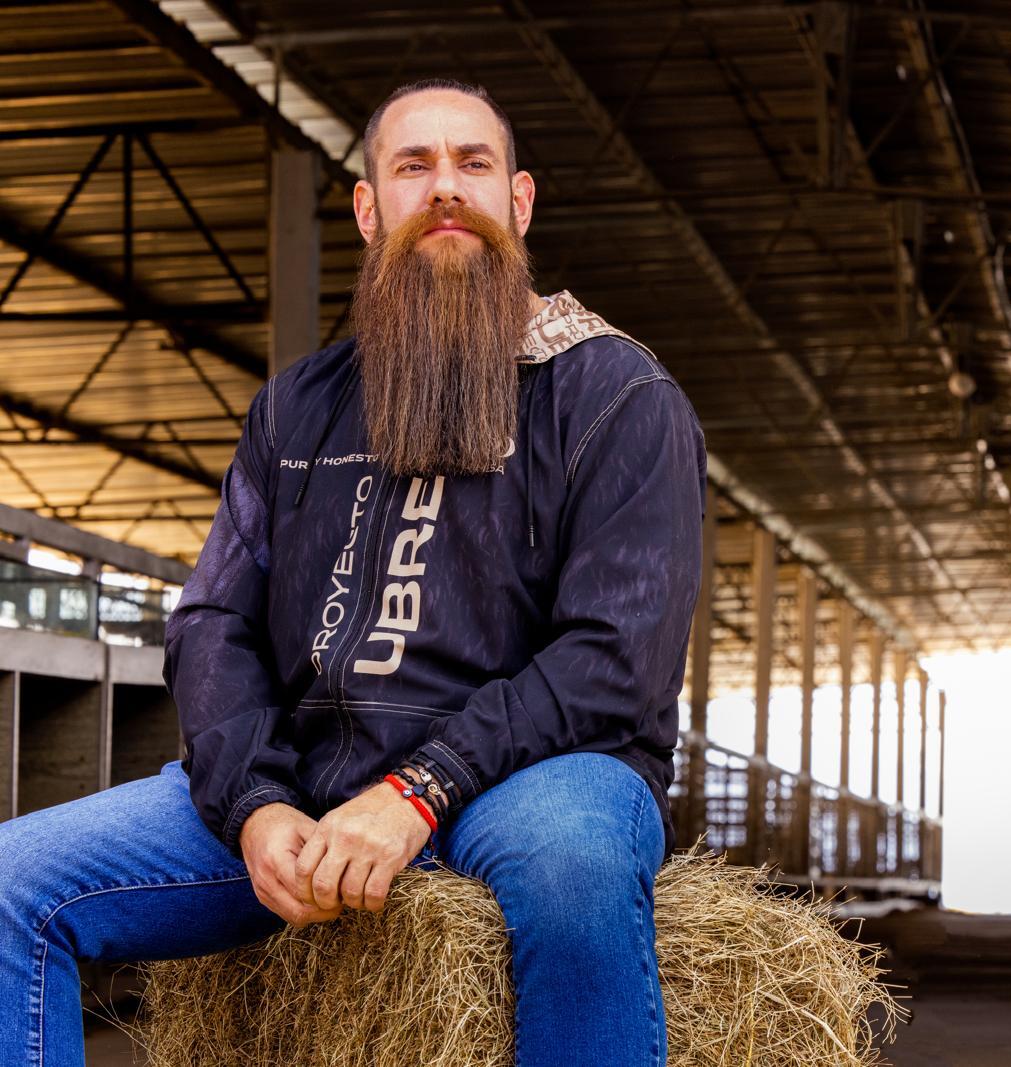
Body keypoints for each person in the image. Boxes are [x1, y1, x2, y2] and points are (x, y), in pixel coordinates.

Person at [0, 78, 705, 1066]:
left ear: (520, 201)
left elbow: (612, 656)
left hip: (533, 776)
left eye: (474, 163)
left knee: (577, 870)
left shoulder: (614, 392)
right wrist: (256, 802)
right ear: (371, 210)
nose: (446, 188)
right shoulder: (298, 407)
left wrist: (418, 789)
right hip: (310, 774)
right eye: (413, 167)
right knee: (11, 882)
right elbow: (212, 623)